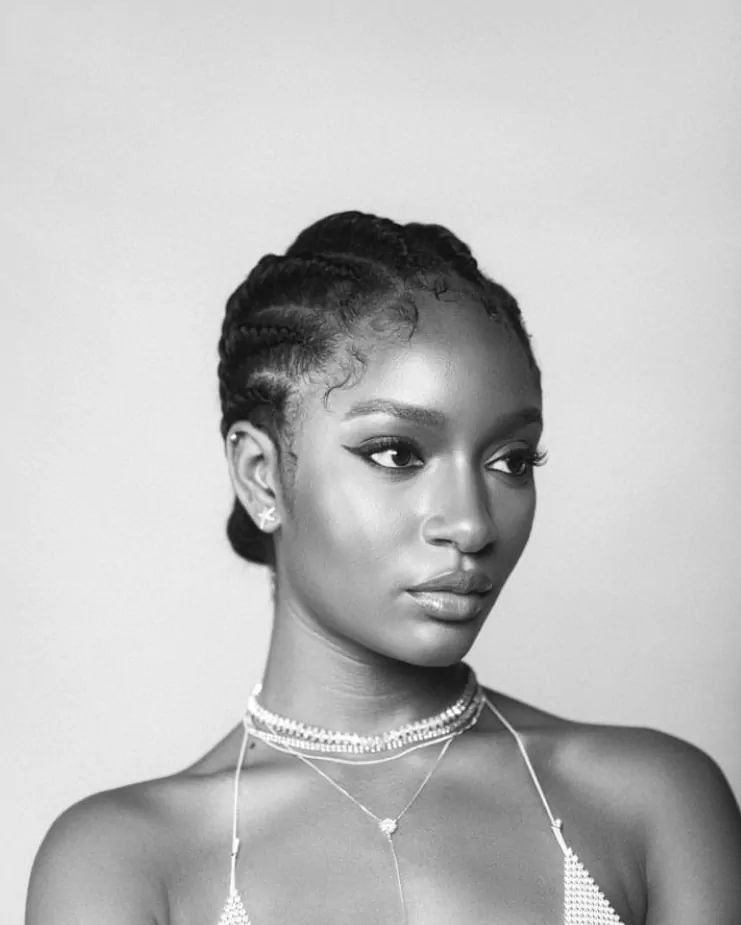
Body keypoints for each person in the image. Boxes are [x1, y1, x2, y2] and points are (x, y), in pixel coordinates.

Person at [26, 211, 741, 925]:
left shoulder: (652, 804)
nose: (471, 523)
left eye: (511, 460)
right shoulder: (124, 863)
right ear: (261, 475)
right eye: (397, 453)